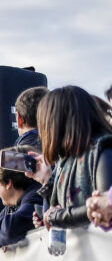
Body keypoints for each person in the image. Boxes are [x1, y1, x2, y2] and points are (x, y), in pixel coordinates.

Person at [27, 86, 112, 230]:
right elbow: (53, 209)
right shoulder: (65, 161)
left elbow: (102, 209)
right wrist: (47, 181)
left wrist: (56, 217)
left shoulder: (103, 151)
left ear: (54, 123)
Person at [0, 149, 44, 249]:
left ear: (8, 183)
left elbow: (10, 229)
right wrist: (1, 233)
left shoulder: (35, 198)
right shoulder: (13, 206)